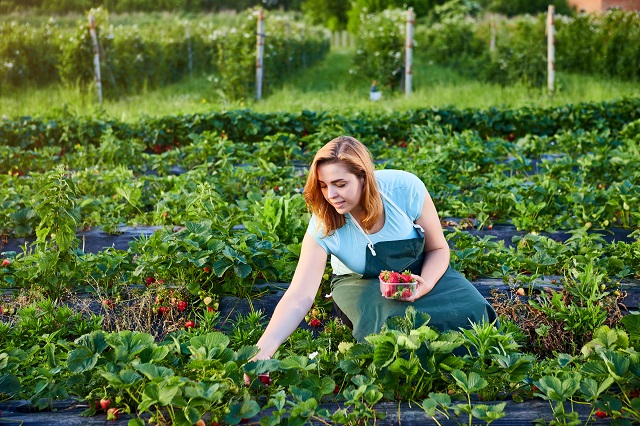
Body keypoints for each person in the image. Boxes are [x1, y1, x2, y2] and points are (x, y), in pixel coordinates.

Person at [248, 136, 497, 367]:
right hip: (359, 282)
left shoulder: (404, 189)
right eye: (323, 186)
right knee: (394, 327)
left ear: (364, 177)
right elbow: (299, 296)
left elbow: (438, 248)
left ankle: (469, 363)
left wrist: (427, 283)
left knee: (473, 309)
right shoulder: (323, 221)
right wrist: (263, 350)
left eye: (340, 184)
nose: (331, 195)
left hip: (420, 271)